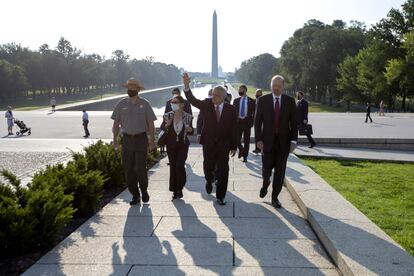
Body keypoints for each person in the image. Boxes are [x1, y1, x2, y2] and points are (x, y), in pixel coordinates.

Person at [183, 73, 237, 205]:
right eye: (213, 94)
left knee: (224, 170)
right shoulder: (206, 104)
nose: (213, 97)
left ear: (224, 97)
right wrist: (186, 86)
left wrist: (234, 146)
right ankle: (208, 180)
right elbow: (192, 100)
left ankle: (220, 196)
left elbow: (234, 129)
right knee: (208, 166)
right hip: (209, 144)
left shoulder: (231, 109)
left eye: (217, 95)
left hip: (224, 145)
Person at [111, 78, 157, 205]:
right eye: (128, 87)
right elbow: (116, 124)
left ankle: (144, 190)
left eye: (132, 87)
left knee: (140, 168)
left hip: (141, 139)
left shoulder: (145, 104)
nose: (130, 90)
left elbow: (151, 123)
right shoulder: (121, 104)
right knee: (128, 170)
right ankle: (135, 195)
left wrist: (152, 140)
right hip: (126, 140)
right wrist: (114, 140)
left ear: (137, 89)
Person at [255, 75, 298, 209]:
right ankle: (265, 182)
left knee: (280, 172)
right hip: (267, 142)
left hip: (283, 143)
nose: (276, 88)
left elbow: (294, 123)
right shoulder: (263, 100)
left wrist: (293, 141)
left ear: (283, 87)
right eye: (274, 86)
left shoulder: (290, 101)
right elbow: (257, 122)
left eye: (279, 86)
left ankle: (275, 197)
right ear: (271, 85)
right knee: (266, 169)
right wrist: (258, 140)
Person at [160, 95, 193, 200]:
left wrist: (190, 130)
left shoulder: (188, 116)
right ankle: (175, 190)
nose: (173, 104)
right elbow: (162, 127)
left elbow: (191, 131)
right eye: (172, 102)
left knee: (179, 165)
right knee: (173, 166)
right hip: (171, 144)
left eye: (176, 102)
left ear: (182, 104)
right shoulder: (167, 116)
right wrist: (167, 125)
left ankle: (180, 186)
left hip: (183, 144)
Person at [233, 85, 255, 162]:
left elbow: (254, 113)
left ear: (245, 90)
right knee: (236, 139)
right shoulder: (236, 100)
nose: (239, 91)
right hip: (238, 122)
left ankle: (245, 156)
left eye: (241, 89)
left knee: (247, 140)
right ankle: (241, 150)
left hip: (247, 122)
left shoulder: (251, 101)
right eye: (239, 89)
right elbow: (233, 113)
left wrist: (253, 122)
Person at [253, 89, 263, 154]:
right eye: (256, 93)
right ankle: (257, 148)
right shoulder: (255, 100)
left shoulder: (263, 101)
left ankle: (260, 148)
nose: (257, 95)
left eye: (258, 94)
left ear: (261, 94)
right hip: (255, 121)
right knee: (256, 135)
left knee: (261, 135)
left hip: (261, 121)